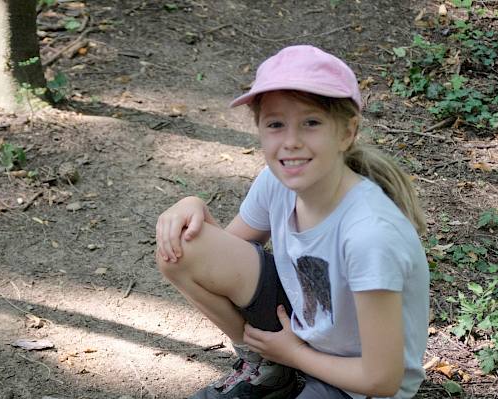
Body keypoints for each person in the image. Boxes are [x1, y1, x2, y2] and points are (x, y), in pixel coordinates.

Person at [155, 45, 429, 399]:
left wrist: (296, 353)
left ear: (347, 132)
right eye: (275, 124)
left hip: (359, 383)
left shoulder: (369, 235)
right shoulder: (276, 183)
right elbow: (218, 255)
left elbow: (382, 379)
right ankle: (268, 369)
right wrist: (192, 206)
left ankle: (285, 362)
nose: (291, 142)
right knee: (183, 247)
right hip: (304, 331)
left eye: (311, 122)